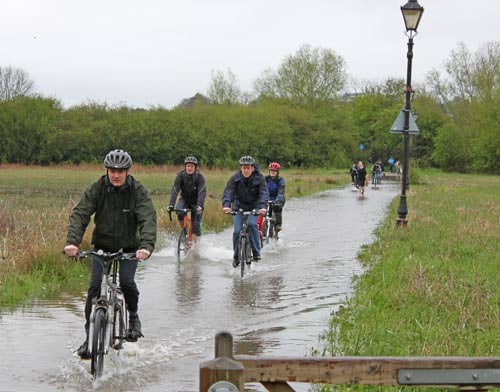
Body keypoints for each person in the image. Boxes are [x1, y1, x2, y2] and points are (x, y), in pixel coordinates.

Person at [64, 149, 157, 359]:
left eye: (120, 171)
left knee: (126, 282)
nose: (116, 175)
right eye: (112, 171)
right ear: (107, 170)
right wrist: (72, 242)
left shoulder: (137, 191)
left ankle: (133, 316)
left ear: (127, 172)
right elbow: (81, 214)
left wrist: (146, 246)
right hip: (102, 246)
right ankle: (90, 339)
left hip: (130, 248)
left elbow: (147, 218)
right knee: (94, 288)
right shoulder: (98, 188)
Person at [222, 155, 268, 267]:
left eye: (248, 168)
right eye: (244, 168)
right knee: (237, 231)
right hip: (239, 206)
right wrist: (227, 205)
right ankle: (236, 256)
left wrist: (262, 207)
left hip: (255, 206)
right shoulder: (235, 178)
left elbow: (263, 193)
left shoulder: (260, 178)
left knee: (252, 224)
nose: (246, 170)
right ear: (241, 168)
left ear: (252, 168)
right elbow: (228, 192)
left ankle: (256, 252)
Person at [167, 156, 206, 242]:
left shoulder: (200, 177)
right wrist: (171, 205)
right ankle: (184, 233)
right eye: (188, 166)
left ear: (195, 167)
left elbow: (202, 193)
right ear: (185, 167)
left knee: (195, 225)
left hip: (196, 202)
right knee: (179, 212)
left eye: (192, 166)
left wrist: (200, 205)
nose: (189, 168)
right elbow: (175, 190)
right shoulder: (180, 176)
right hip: (184, 200)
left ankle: (197, 244)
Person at [265, 162, 286, 232]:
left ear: (277, 172)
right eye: (271, 170)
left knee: (277, 208)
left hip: (277, 198)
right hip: (267, 198)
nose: (273, 172)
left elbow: (281, 190)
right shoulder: (265, 179)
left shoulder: (280, 180)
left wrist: (278, 200)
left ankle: (278, 225)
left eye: (274, 171)